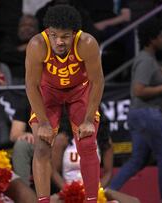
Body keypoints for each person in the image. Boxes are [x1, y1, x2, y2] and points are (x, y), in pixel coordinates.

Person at [25, 5, 104, 202]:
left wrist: (88, 120)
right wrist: (43, 123)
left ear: (74, 33)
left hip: (79, 91)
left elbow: (97, 82)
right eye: (54, 35)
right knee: (42, 147)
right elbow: (31, 86)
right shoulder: (37, 45)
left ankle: (92, 200)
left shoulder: (87, 43)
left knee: (87, 143)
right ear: (48, 32)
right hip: (48, 92)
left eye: (65, 36)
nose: (59, 42)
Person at [109, 19, 162, 203]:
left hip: (140, 115)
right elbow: (138, 90)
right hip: (148, 114)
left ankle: (109, 191)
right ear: (151, 39)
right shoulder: (146, 60)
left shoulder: (147, 58)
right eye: (161, 35)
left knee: (137, 160)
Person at [50, 114, 140, 203]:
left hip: (95, 189)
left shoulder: (103, 139)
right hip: (69, 191)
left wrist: (97, 189)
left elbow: (108, 172)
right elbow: (54, 171)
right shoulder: (62, 139)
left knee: (134, 201)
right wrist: (69, 191)